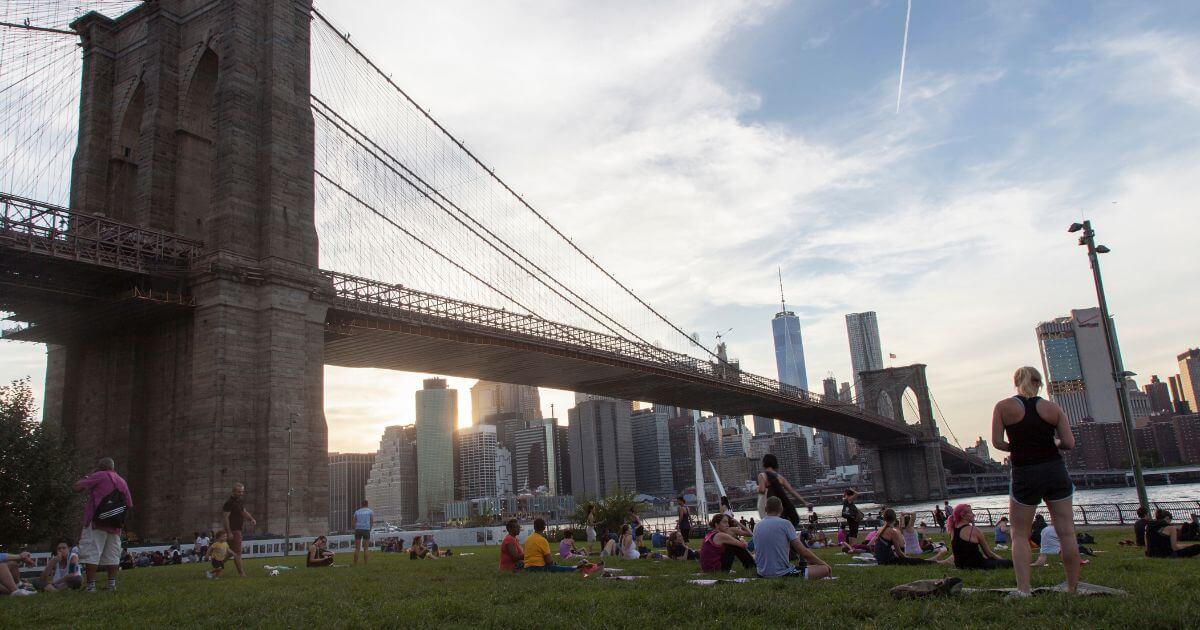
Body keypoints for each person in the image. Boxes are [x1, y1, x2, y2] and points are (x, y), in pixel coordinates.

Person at [992, 366, 1080, 596]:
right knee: (1067, 532)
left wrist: (1019, 446)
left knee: (1019, 534)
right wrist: (1051, 444)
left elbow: (997, 443)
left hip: (1025, 473)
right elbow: (1069, 443)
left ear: (1016, 382)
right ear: (1038, 383)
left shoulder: (1003, 407)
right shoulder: (1053, 408)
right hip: (1054, 470)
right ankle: (1072, 588)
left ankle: (1024, 590)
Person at [73, 456, 132, 592]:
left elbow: (77, 487)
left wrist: (90, 475)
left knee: (92, 552)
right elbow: (129, 504)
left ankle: (91, 586)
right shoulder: (122, 481)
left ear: (100, 467)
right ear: (113, 467)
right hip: (116, 524)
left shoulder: (99, 475)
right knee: (112, 554)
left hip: (97, 522)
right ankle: (111, 585)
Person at [753, 497, 832, 579]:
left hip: (761, 574)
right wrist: (823, 563)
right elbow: (802, 551)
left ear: (765, 509)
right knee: (824, 569)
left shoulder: (757, 526)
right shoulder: (785, 524)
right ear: (781, 509)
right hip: (782, 573)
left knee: (810, 565)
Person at [947, 504, 1013, 570]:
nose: (974, 514)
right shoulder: (974, 530)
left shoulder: (952, 530)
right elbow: (989, 554)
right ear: (963, 516)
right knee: (1009, 562)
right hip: (976, 565)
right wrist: (1002, 560)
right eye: (971, 512)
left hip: (960, 565)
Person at [874, 509, 948, 566]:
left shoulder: (881, 530)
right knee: (914, 561)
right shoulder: (892, 531)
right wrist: (908, 558)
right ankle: (940, 561)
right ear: (894, 518)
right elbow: (899, 552)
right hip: (888, 561)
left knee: (915, 560)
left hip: (881, 560)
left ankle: (932, 559)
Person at [757, 454, 810, 528]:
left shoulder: (762, 475)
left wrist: (757, 488)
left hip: (769, 505)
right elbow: (792, 491)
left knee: (771, 526)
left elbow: (762, 490)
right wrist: (805, 502)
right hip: (779, 505)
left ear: (764, 463)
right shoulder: (780, 477)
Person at [525, 518, 596, 573]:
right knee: (557, 567)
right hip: (538, 568)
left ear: (534, 527)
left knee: (554, 565)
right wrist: (553, 564)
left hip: (527, 568)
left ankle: (574, 567)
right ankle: (574, 569)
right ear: (544, 528)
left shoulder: (528, 539)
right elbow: (549, 561)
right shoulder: (542, 540)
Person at [222, 482, 257, 577]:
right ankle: (242, 574)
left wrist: (251, 519)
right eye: (239, 492)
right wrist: (229, 532)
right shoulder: (229, 503)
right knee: (237, 552)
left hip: (237, 530)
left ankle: (217, 564)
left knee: (231, 552)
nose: (241, 493)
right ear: (233, 491)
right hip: (234, 530)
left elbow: (244, 512)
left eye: (242, 492)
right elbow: (225, 518)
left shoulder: (239, 501)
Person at [353, 499, 374, 565]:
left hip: (358, 529)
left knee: (357, 548)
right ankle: (366, 563)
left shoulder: (357, 512)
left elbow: (353, 522)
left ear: (361, 504)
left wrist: (355, 529)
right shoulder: (370, 511)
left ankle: (355, 563)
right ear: (367, 504)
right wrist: (369, 529)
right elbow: (371, 521)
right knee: (366, 548)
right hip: (366, 529)